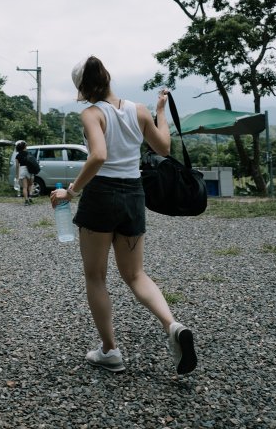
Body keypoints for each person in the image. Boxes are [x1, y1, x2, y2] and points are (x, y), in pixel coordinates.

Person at [50, 55, 197, 375]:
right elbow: (164, 148)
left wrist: (71, 191)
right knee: (135, 275)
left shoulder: (91, 114)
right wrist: (160, 112)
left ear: (83, 89)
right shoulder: (139, 110)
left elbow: (99, 155)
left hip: (101, 196)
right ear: (108, 77)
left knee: (96, 276)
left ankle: (110, 351)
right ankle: (173, 326)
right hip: (133, 195)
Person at [14, 140, 34, 205]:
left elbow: (17, 166)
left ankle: (26, 201)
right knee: (30, 184)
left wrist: (17, 175)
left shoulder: (17, 155)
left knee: (24, 187)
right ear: (24, 147)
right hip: (29, 169)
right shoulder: (29, 153)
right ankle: (30, 197)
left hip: (22, 169)